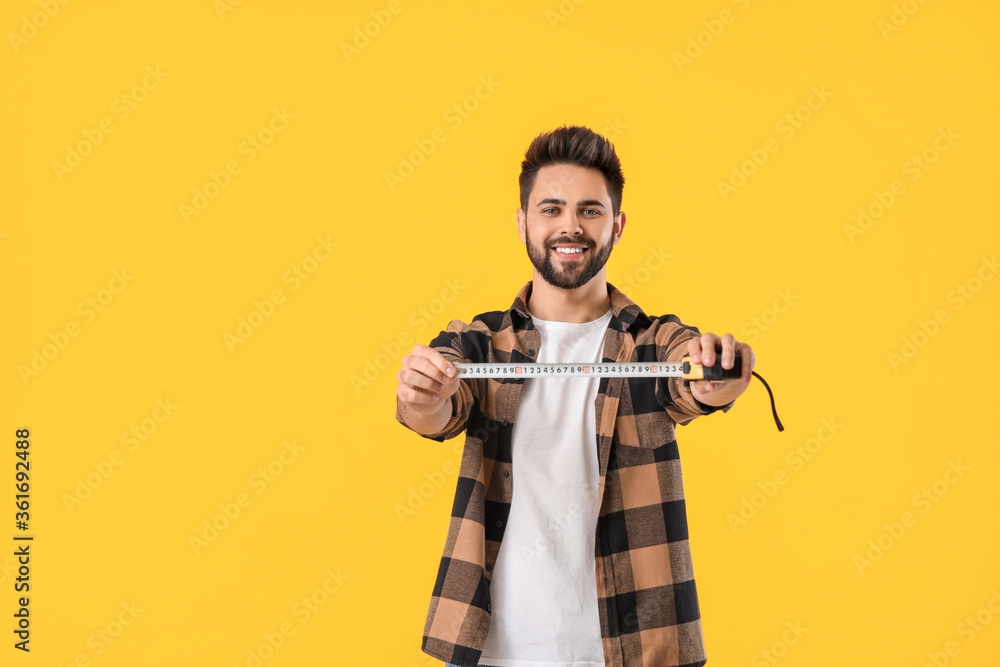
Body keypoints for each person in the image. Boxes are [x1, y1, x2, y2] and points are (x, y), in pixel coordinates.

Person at [395, 125, 757, 667]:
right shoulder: (480, 342)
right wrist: (422, 395)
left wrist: (718, 377)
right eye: (551, 209)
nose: (571, 226)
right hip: (496, 650)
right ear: (522, 223)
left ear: (617, 224)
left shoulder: (652, 342)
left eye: (590, 210)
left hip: (636, 648)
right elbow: (434, 409)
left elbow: (692, 380)